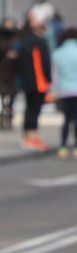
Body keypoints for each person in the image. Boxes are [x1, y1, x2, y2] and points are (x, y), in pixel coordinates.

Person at [15, 11, 53, 151]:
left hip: (26, 82)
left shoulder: (22, 42)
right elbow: (45, 63)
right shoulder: (40, 42)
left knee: (29, 109)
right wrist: (49, 80)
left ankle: (27, 136)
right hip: (39, 82)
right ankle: (32, 137)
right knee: (35, 110)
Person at [0, 16, 22, 130]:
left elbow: (23, 51)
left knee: (13, 94)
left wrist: (17, 57)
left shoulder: (18, 36)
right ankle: (3, 114)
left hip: (15, 70)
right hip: (2, 69)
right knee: (2, 94)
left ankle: (9, 115)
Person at [50, 29, 77, 157]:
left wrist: (54, 91)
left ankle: (63, 146)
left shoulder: (57, 54)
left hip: (64, 91)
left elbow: (55, 76)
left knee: (66, 119)